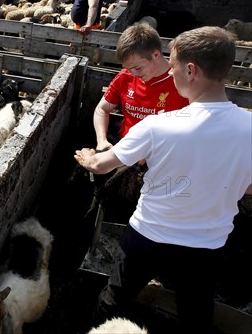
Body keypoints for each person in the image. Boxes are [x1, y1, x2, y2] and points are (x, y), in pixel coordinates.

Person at [75, 26, 252, 333]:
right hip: (207, 245)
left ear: (191, 70)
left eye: (174, 66)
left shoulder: (159, 126)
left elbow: (103, 165)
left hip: (149, 236)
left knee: (115, 300)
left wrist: (87, 157)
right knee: (196, 312)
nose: (170, 72)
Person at [93, 23, 189, 151]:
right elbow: (102, 109)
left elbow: (189, 129)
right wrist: (102, 140)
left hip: (162, 154)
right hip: (125, 148)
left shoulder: (182, 83)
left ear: (156, 55)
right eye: (129, 68)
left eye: (138, 68)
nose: (134, 74)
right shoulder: (125, 77)